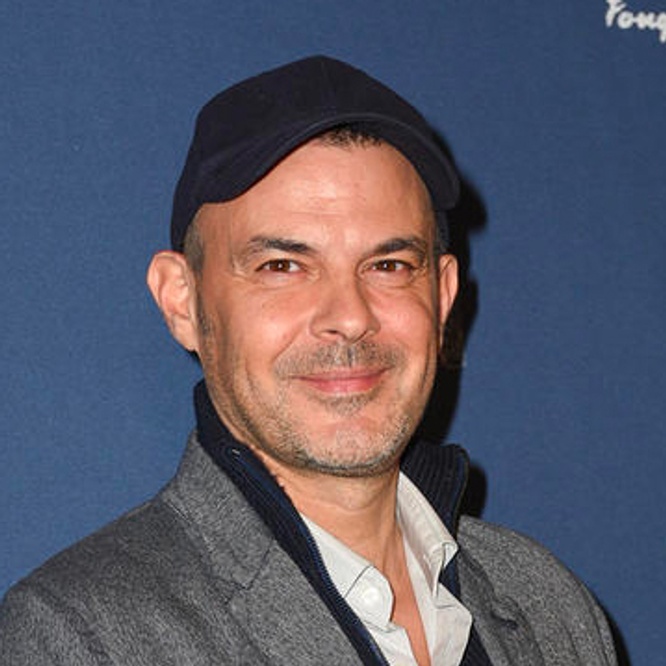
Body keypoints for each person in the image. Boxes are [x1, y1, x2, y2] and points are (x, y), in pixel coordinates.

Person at [0, 56, 617, 666]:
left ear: (443, 296)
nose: (349, 316)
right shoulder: (83, 638)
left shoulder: (549, 607)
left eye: (389, 265)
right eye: (283, 266)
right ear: (182, 301)